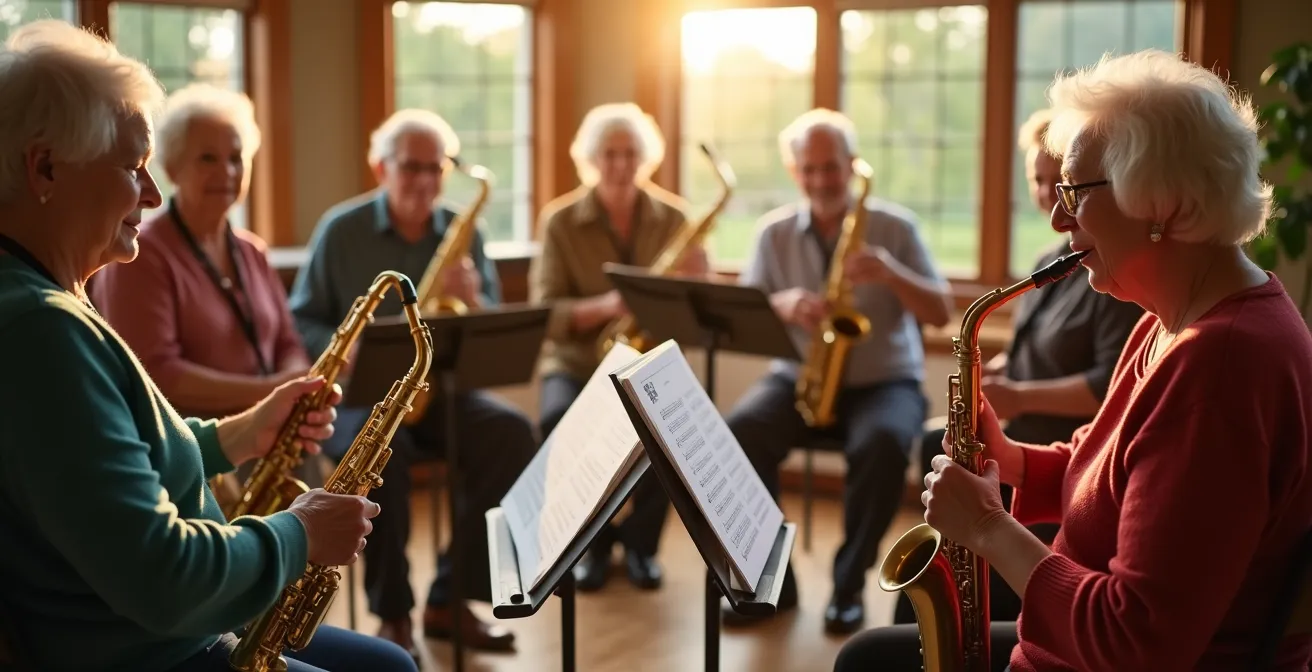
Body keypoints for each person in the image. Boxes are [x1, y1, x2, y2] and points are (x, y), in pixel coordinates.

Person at [836, 50, 1312, 672]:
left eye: (1076, 192)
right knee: (870, 655)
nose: (1059, 218)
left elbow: (1135, 643)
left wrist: (986, 528)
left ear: (1166, 207)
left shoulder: (1220, 368)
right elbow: (1106, 472)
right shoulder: (1167, 321)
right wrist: (1011, 462)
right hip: (1068, 647)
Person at [0, 20, 415, 672]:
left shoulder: (43, 297)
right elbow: (163, 577)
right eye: (134, 167)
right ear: (45, 167)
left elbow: (110, 463)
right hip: (150, 652)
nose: (152, 194)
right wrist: (299, 532)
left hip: (157, 631)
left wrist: (238, 434)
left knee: (388, 664)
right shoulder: (38, 330)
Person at [287, 108, 534, 657]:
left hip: (439, 398)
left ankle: (452, 598)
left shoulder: (464, 231)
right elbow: (300, 317)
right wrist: (345, 345)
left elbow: (489, 322)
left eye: (436, 168)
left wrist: (472, 300)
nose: (424, 180)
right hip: (362, 405)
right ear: (381, 167)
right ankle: (394, 616)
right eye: (411, 166)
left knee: (512, 432)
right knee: (383, 454)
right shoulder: (341, 230)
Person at [893, 108, 1143, 625]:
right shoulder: (1053, 260)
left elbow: (1104, 386)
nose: (1052, 200)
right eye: (1039, 181)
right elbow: (1026, 353)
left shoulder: (1111, 274)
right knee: (928, 441)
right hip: (1041, 442)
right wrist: (985, 386)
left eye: (1065, 184)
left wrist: (1018, 398)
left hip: (1060, 431)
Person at [723, 108, 953, 635]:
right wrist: (781, 305)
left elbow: (941, 312)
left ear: (852, 166)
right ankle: (769, 581)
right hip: (799, 374)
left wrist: (891, 273)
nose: (822, 180)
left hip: (884, 379)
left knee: (885, 444)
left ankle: (847, 586)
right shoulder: (773, 232)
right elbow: (747, 311)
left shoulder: (896, 227)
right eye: (810, 169)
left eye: (832, 167)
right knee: (740, 433)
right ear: (793, 171)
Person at [89, 84, 316, 508]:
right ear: (172, 167)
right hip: (193, 458)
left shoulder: (251, 250)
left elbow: (288, 340)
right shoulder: (142, 254)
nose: (227, 172)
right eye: (208, 158)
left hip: (275, 437)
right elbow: (157, 373)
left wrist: (296, 385)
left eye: (236, 158)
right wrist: (268, 392)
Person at [529, 102, 709, 592]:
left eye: (630, 152)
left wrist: (698, 282)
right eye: (609, 153)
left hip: (648, 362)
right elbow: (547, 313)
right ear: (592, 158)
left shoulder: (675, 216)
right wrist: (608, 305)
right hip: (575, 361)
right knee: (556, 421)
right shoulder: (560, 221)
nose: (620, 163)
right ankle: (592, 544)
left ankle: (641, 546)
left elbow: (692, 311)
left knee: (670, 431)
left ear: (644, 157)